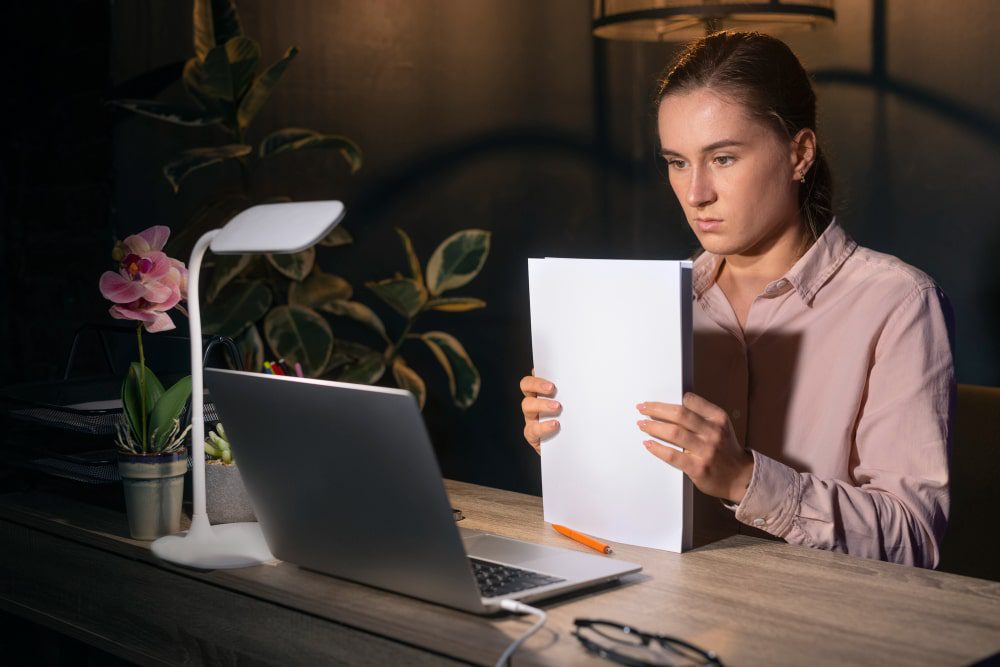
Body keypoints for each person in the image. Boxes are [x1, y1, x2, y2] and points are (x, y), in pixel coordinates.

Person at [520, 31, 953, 569]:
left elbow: (914, 540)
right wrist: (572, 438)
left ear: (799, 153)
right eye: (677, 162)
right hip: (661, 596)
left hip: (816, 613)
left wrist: (745, 478)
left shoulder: (899, 303)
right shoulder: (651, 306)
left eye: (722, 158)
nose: (695, 193)